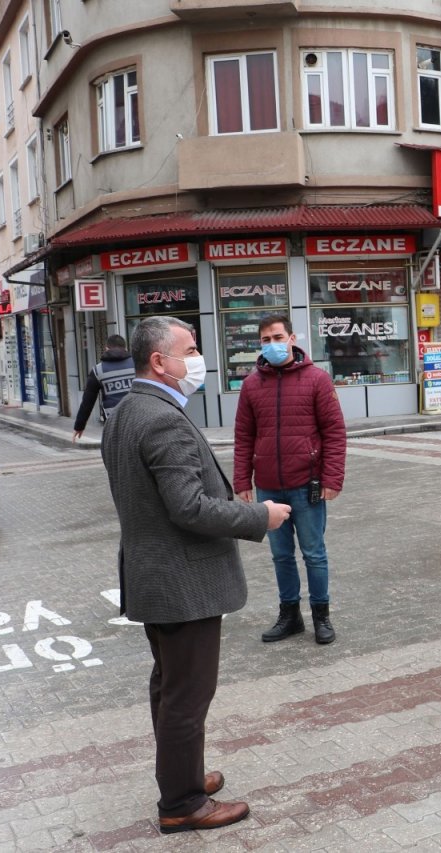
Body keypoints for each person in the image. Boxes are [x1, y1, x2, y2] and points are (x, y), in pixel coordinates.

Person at [101, 316, 291, 834]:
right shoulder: (160, 417)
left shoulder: (126, 410)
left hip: (154, 576)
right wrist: (261, 517)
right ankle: (182, 803)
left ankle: (181, 776)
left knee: (169, 687)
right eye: (189, 349)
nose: (197, 358)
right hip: (182, 583)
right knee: (187, 695)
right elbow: (189, 507)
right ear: (159, 362)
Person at [234, 315, 346, 645]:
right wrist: (242, 480)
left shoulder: (317, 380)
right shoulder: (252, 385)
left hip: (307, 484)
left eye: (277, 337)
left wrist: (332, 477)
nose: (272, 344)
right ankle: (290, 616)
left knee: (314, 554)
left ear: (293, 338)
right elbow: (244, 436)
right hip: (269, 487)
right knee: (281, 556)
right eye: (265, 339)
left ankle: (321, 617)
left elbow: (334, 432)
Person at [73, 334, 135, 441]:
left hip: (113, 424)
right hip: (138, 418)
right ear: (125, 348)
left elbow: (87, 401)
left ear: (106, 349)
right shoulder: (138, 365)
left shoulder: (98, 371)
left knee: (115, 455)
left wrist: (79, 426)